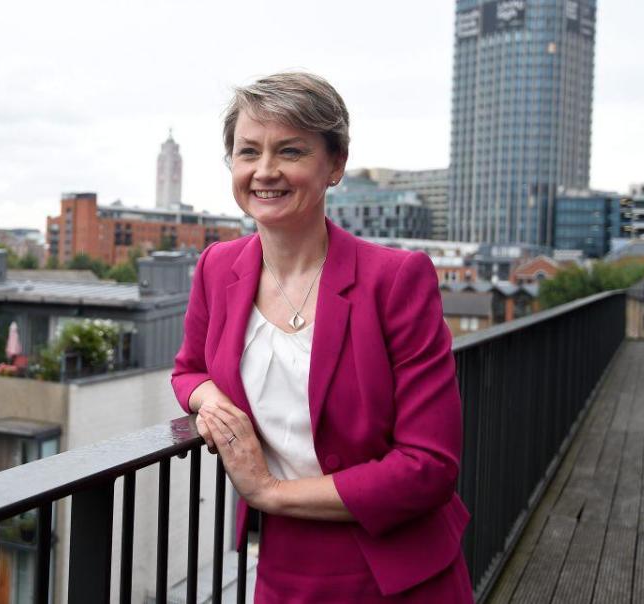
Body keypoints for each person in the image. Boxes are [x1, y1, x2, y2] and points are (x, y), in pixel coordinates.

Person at [171, 72, 473, 603]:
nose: (265, 171)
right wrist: (211, 402)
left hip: (398, 572)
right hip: (284, 566)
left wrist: (270, 492)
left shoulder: (396, 279)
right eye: (248, 152)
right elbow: (188, 369)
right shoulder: (217, 267)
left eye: (290, 151)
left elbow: (429, 467)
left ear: (334, 164)